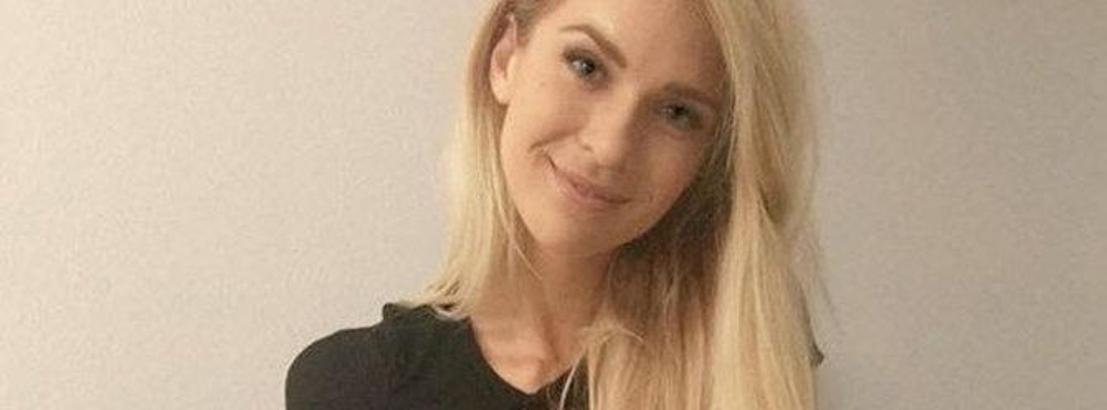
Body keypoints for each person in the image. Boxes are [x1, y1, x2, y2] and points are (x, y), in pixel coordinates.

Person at [286, 0, 826, 408]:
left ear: (709, 158)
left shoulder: (745, 363)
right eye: (586, 66)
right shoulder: (355, 386)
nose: (610, 147)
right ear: (505, 58)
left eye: (677, 113)